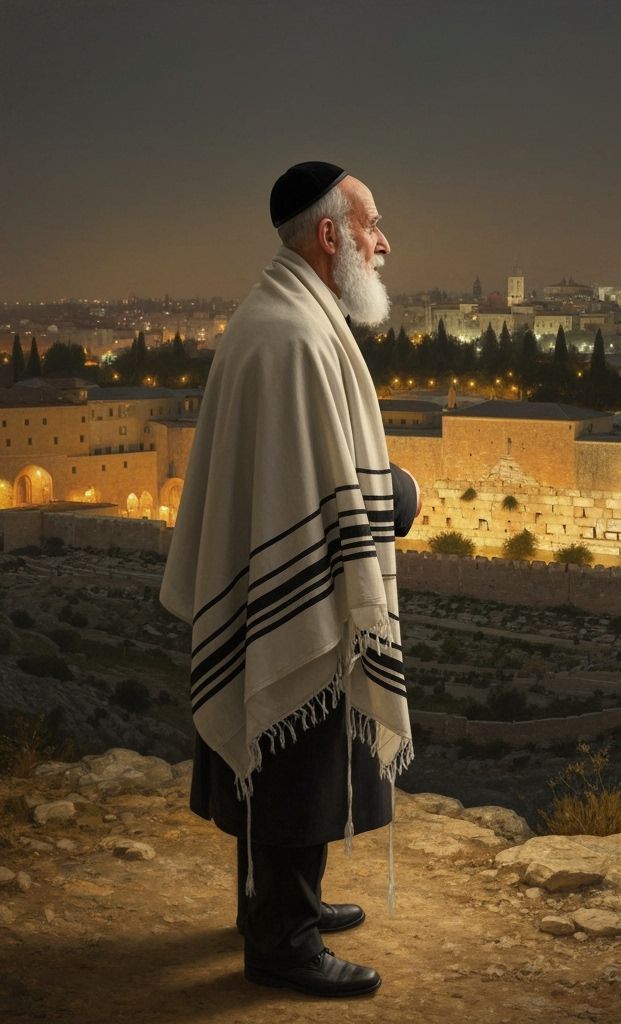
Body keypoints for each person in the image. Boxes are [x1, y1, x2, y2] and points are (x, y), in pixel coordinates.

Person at [159, 162, 419, 998]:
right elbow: (318, 495)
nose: (385, 243)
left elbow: (305, 474)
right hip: (296, 587)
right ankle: (284, 938)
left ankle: (274, 900)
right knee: (297, 750)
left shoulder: (278, 314)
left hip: (271, 571)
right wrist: (402, 497)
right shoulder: (296, 336)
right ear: (329, 235)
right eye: (371, 224)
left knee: (283, 747)